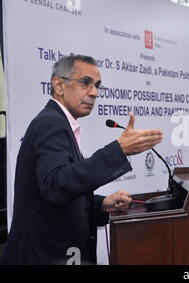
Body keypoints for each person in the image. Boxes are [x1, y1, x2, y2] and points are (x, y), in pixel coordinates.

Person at [0, 55, 163, 265]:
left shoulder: (60, 123)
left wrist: (101, 205)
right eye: (86, 83)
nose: (94, 93)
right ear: (59, 85)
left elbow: (62, 191)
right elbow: (55, 186)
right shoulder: (51, 123)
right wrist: (118, 151)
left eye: (97, 86)